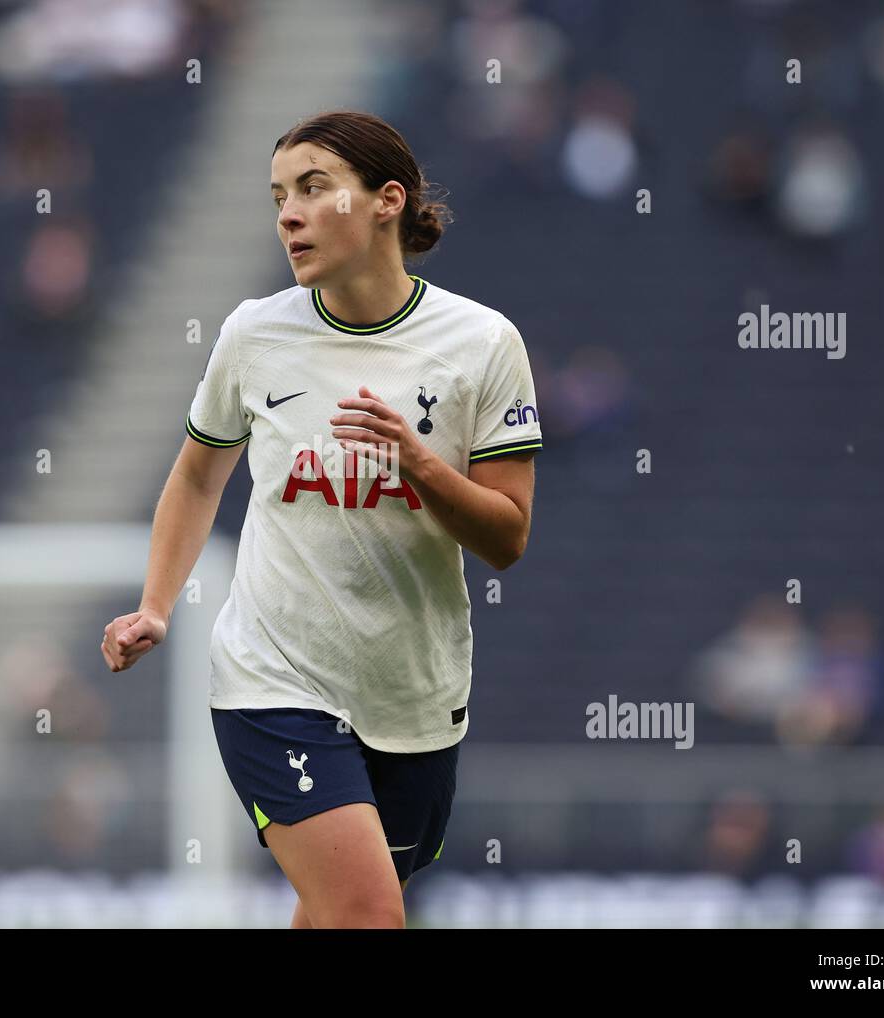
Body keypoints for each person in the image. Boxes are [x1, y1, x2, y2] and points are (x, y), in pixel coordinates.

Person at [101, 110, 543, 928]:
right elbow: (198, 476)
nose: (289, 216)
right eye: (278, 198)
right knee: (369, 915)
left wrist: (419, 465)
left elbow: (507, 537)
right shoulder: (255, 334)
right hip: (273, 678)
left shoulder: (483, 343)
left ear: (386, 201)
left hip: (415, 695)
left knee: (339, 915)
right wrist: (157, 604)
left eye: (313, 189)